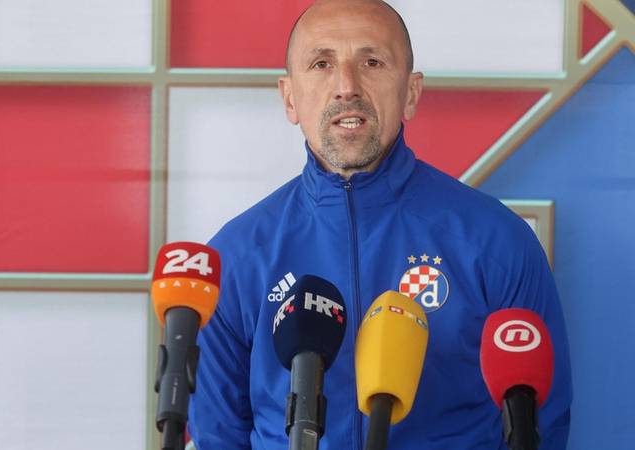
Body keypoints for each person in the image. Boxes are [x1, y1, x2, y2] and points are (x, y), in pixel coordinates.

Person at [188, 0, 572, 448]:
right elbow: (218, 433)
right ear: (289, 97)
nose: (346, 86)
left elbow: (542, 424)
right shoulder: (237, 255)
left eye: (372, 62)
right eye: (321, 64)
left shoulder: (496, 242)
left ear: (411, 93)